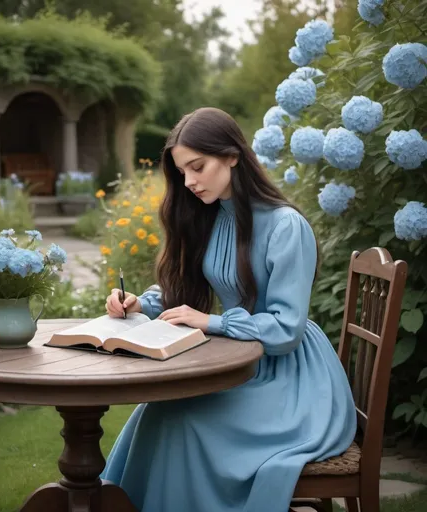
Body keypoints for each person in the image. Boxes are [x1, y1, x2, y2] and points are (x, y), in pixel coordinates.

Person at [101, 107, 357, 512]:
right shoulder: (214, 217)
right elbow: (183, 285)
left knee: (181, 421)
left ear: (232, 156)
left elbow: (288, 330)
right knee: (159, 411)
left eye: (197, 167)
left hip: (292, 381)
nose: (189, 182)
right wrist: (141, 304)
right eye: (183, 171)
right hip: (243, 365)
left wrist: (214, 321)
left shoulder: (286, 226)